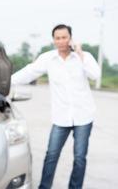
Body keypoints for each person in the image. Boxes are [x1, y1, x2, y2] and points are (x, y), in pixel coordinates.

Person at [11, 24, 101, 189]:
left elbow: (95, 75)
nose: (61, 41)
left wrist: (80, 53)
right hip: (61, 117)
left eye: (64, 37)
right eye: (57, 38)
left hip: (83, 116)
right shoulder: (48, 58)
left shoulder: (84, 57)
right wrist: (7, 82)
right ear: (54, 40)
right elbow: (29, 72)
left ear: (70, 39)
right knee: (51, 155)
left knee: (80, 157)